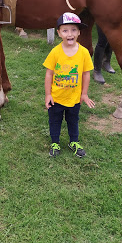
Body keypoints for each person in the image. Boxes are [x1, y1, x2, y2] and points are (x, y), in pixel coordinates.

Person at [43, 12, 95, 158]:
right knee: (55, 120)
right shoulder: (55, 52)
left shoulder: (84, 53)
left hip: (74, 98)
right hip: (56, 97)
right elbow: (49, 74)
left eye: (73, 30)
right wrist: (48, 94)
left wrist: (84, 94)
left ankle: (74, 142)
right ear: (59, 33)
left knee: (73, 120)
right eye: (65, 30)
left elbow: (86, 74)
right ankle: (55, 142)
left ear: (79, 32)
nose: (69, 34)